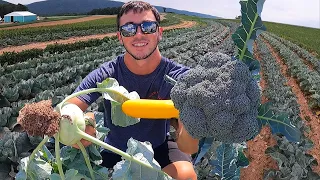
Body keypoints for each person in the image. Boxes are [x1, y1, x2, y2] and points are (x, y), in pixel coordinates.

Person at [67, 1, 199, 179]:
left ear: (159, 33)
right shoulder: (107, 74)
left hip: (159, 147)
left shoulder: (180, 77)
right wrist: (85, 123)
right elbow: (69, 108)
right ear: (120, 36)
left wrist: (191, 121)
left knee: (186, 176)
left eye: (148, 27)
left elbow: (189, 147)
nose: (139, 34)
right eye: (129, 29)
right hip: (114, 150)